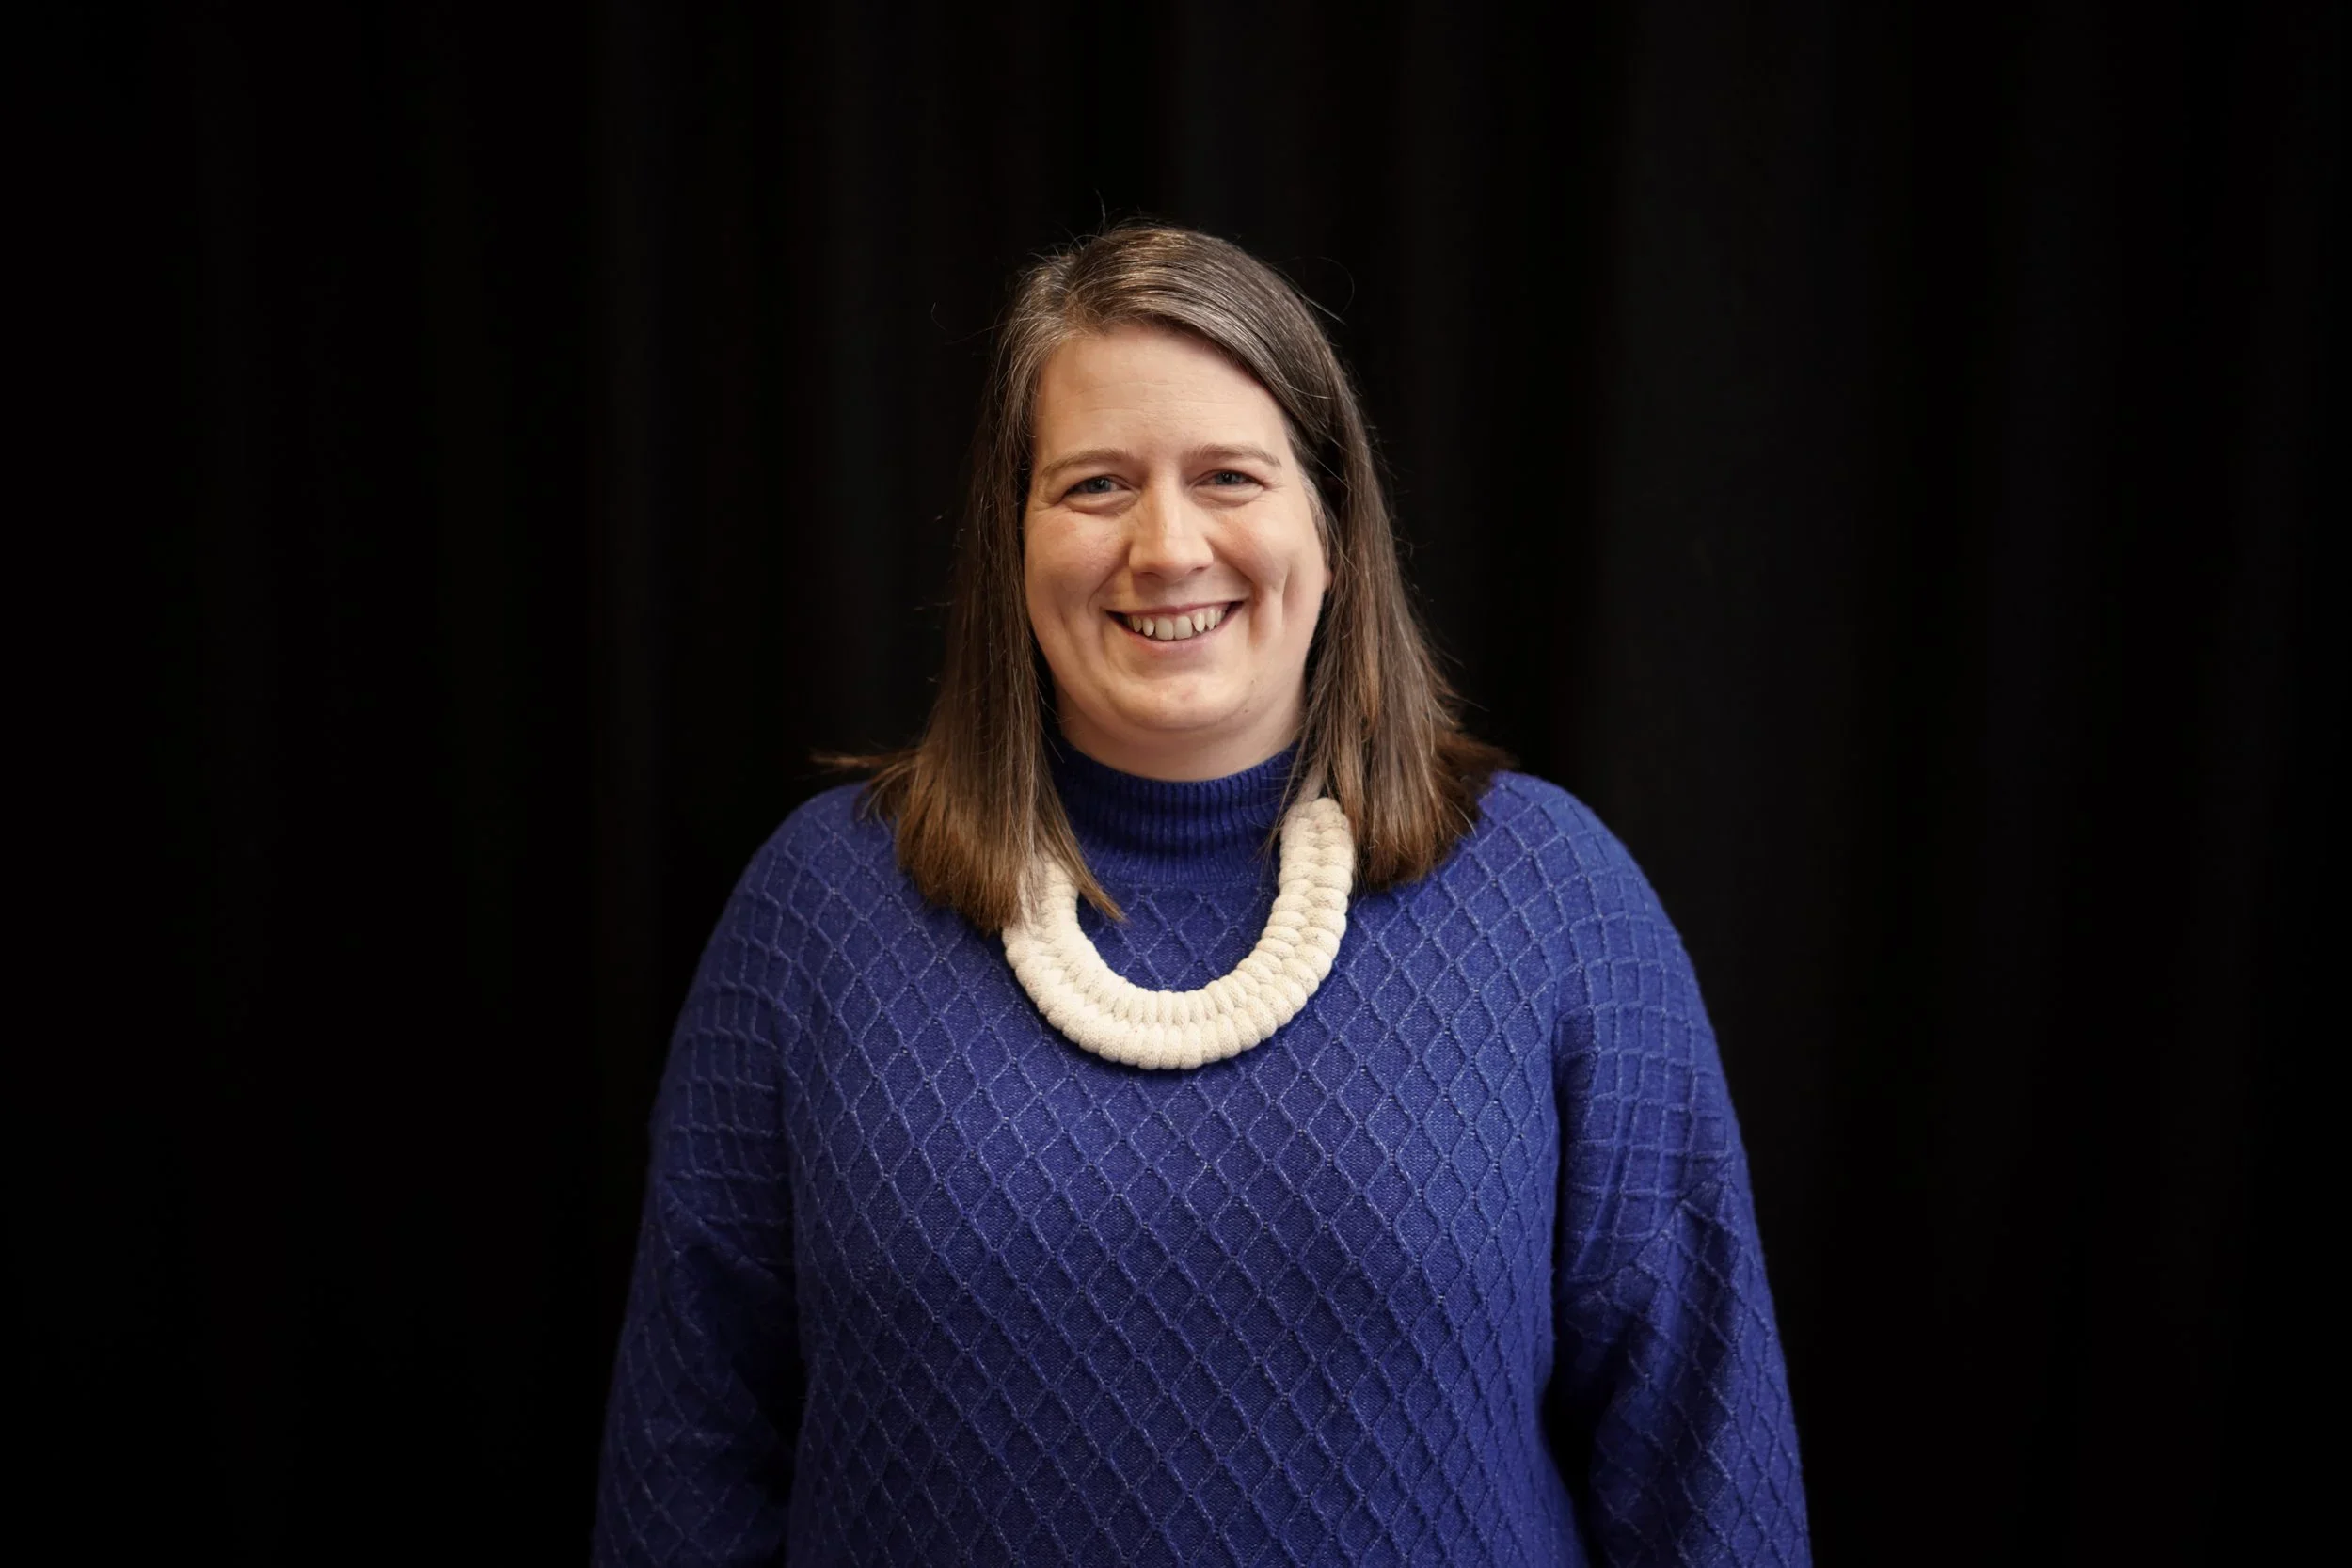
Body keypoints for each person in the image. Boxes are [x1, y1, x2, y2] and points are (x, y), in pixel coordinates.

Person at [593, 224, 1809, 1565]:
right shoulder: (817, 913)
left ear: (1335, 528)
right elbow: (684, 1462)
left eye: (1229, 475)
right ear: (1010, 541)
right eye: (1096, 484)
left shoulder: (1553, 900)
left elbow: (1708, 1468)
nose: (1166, 548)